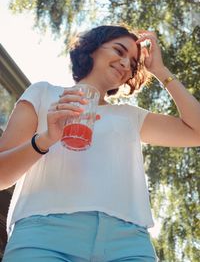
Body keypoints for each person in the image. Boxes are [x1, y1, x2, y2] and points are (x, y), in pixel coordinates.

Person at [1, 25, 200, 262]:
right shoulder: (44, 93)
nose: (126, 64)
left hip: (128, 244)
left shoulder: (131, 116)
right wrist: (46, 139)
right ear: (91, 48)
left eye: (133, 63)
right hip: (43, 236)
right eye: (119, 50)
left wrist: (160, 70)